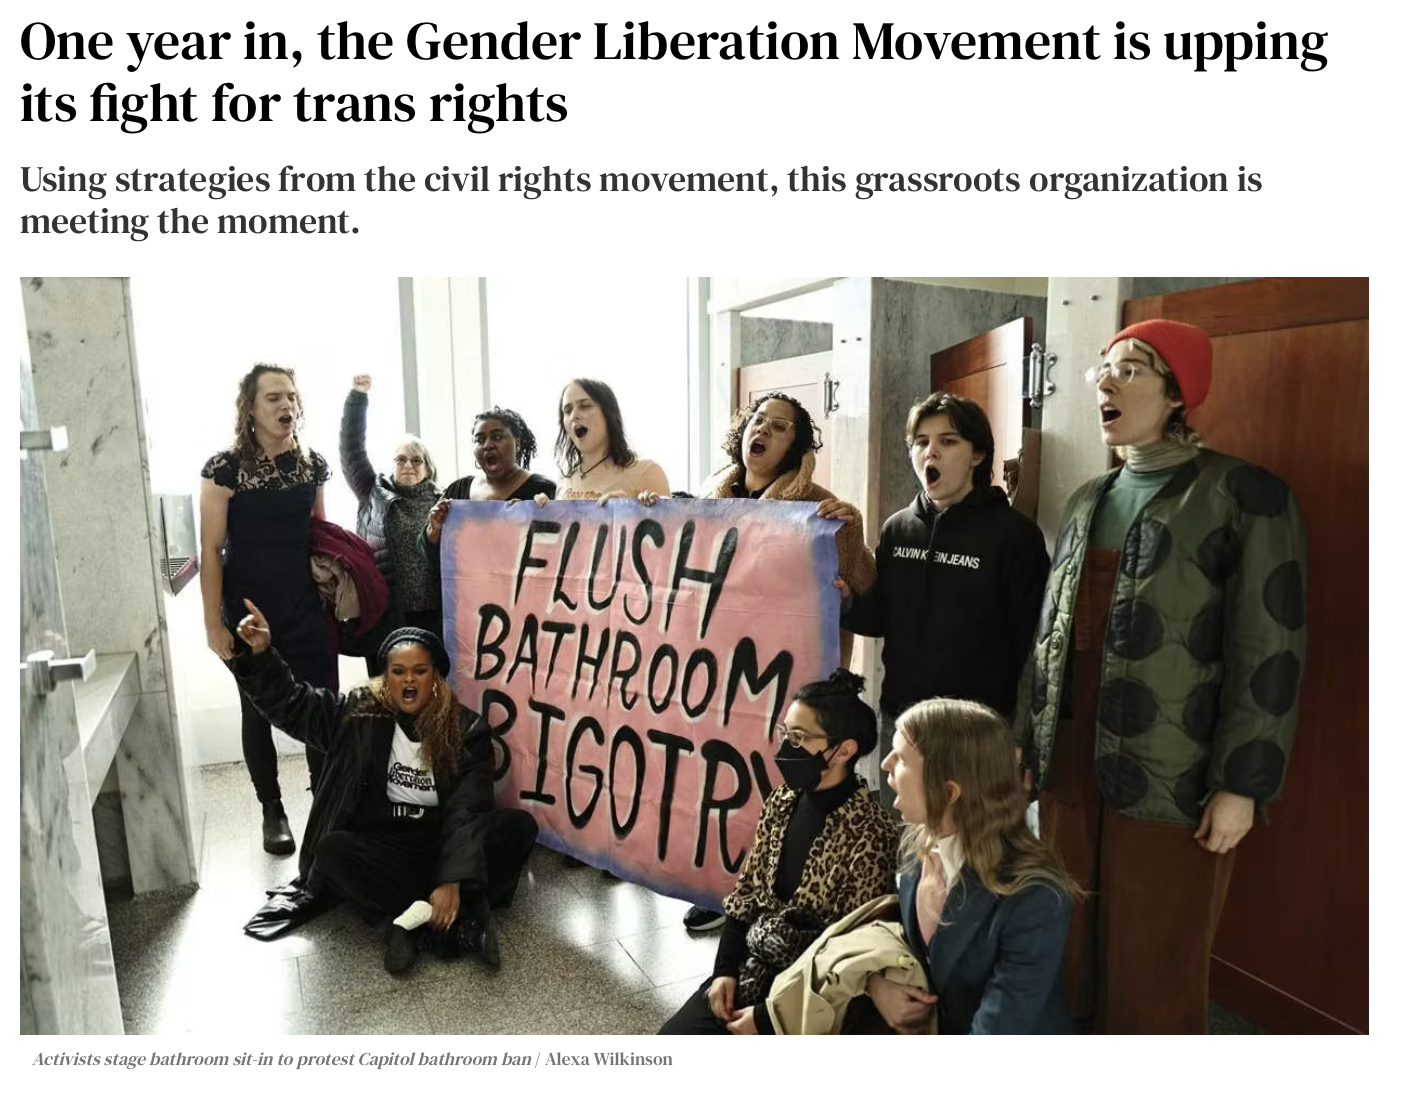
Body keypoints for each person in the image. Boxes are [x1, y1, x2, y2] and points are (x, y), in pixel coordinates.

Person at [1015, 318, 1309, 1033]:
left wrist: (1243, 784)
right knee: (1064, 929)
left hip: (1175, 763)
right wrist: (1027, 745)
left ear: (1178, 394)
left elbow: (1270, 652)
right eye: (1102, 369)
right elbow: (1049, 637)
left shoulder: (1247, 496)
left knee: (1156, 949)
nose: (1106, 382)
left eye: (1133, 368)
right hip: (1071, 758)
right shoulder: (1087, 500)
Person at [230, 608, 539, 975]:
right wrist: (263, 655)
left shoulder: (466, 728)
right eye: (398, 672)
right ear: (387, 678)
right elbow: (295, 706)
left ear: (436, 678)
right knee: (332, 852)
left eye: (419, 671)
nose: (409, 681)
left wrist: (452, 876)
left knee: (518, 827)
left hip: (440, 843)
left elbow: (468, 810)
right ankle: (453, 916)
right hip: (385, 846)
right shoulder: (357, 713)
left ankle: (410, 919)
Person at [680, 391, 878, 934]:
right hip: (722, 671)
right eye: (758, 420)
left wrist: (851, 529)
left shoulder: (817, 503)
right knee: (720, 775)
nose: (764, 430)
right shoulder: (708, 498)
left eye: (782, 426)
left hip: (793, 679)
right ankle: (716, 884)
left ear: (795, 444)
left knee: (779, 779)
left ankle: (775, 890)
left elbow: (861, 586)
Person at [837, 392, 1050, 810]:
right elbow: (882, 617)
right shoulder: (899, 529)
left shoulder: (1014, 536)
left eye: (948, 441)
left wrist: (1024, 738)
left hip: (977, 731)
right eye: (920, 441)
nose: (930, 450)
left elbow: (1036, 646)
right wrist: (847, 600)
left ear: (977, 454)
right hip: (901, 721)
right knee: (907, 847)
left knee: (971, 854)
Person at [658, 670, 900, 1035]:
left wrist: (768, 1018)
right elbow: (746, 895)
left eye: (799, 737)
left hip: (811, 994)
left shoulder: (872, 833)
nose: (786, 747)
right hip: (752, 966)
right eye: (785, 734)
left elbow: (849, 953)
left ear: (844, 750)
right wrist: (723, 971)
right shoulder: (782, 801)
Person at [865, 697, 1077, 1035]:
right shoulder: (912, 851)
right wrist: (876, 986)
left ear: (950, 791)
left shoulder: (1036, 898)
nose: (886, 765)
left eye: (902, 759)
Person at [200, 363, 337, 855]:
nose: (287, 406)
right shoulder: (224, 469)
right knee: (256, 712)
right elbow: (211, 549)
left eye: (292, 397)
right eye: (275, 397)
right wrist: (213, 622)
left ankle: (327, 807)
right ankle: (271, 809)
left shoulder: (313, 465)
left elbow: (321, 536)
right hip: (247, 610)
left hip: (306, 607)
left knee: (322, 707)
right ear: (251, 407)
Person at [340, 374, 443, 663]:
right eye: (400, 459)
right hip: (386, 616)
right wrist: (358, 398)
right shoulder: (373, 494)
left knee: (431, 695)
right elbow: (352, 452)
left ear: (428, 468)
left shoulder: (445, 502)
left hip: (433, 617)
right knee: (386, 696)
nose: (407, 465)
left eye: (416, 459)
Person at [420, 406, 557, 573]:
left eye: (497, 437)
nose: (487, 445)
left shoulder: (544, 490)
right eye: (480, 439)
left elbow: (561, 558)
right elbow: (432, 559)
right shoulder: (458, 491)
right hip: (469, 597)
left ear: (518, 443)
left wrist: (539, 519)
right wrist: (434, 531)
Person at [547, 378, 670, 502]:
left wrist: (630, 510)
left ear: (608, 414)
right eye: (567, 411)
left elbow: (673, 519)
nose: (574, 416)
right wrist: (540, 511)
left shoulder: (646, 472)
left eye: (585, 406)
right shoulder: (565, 479)